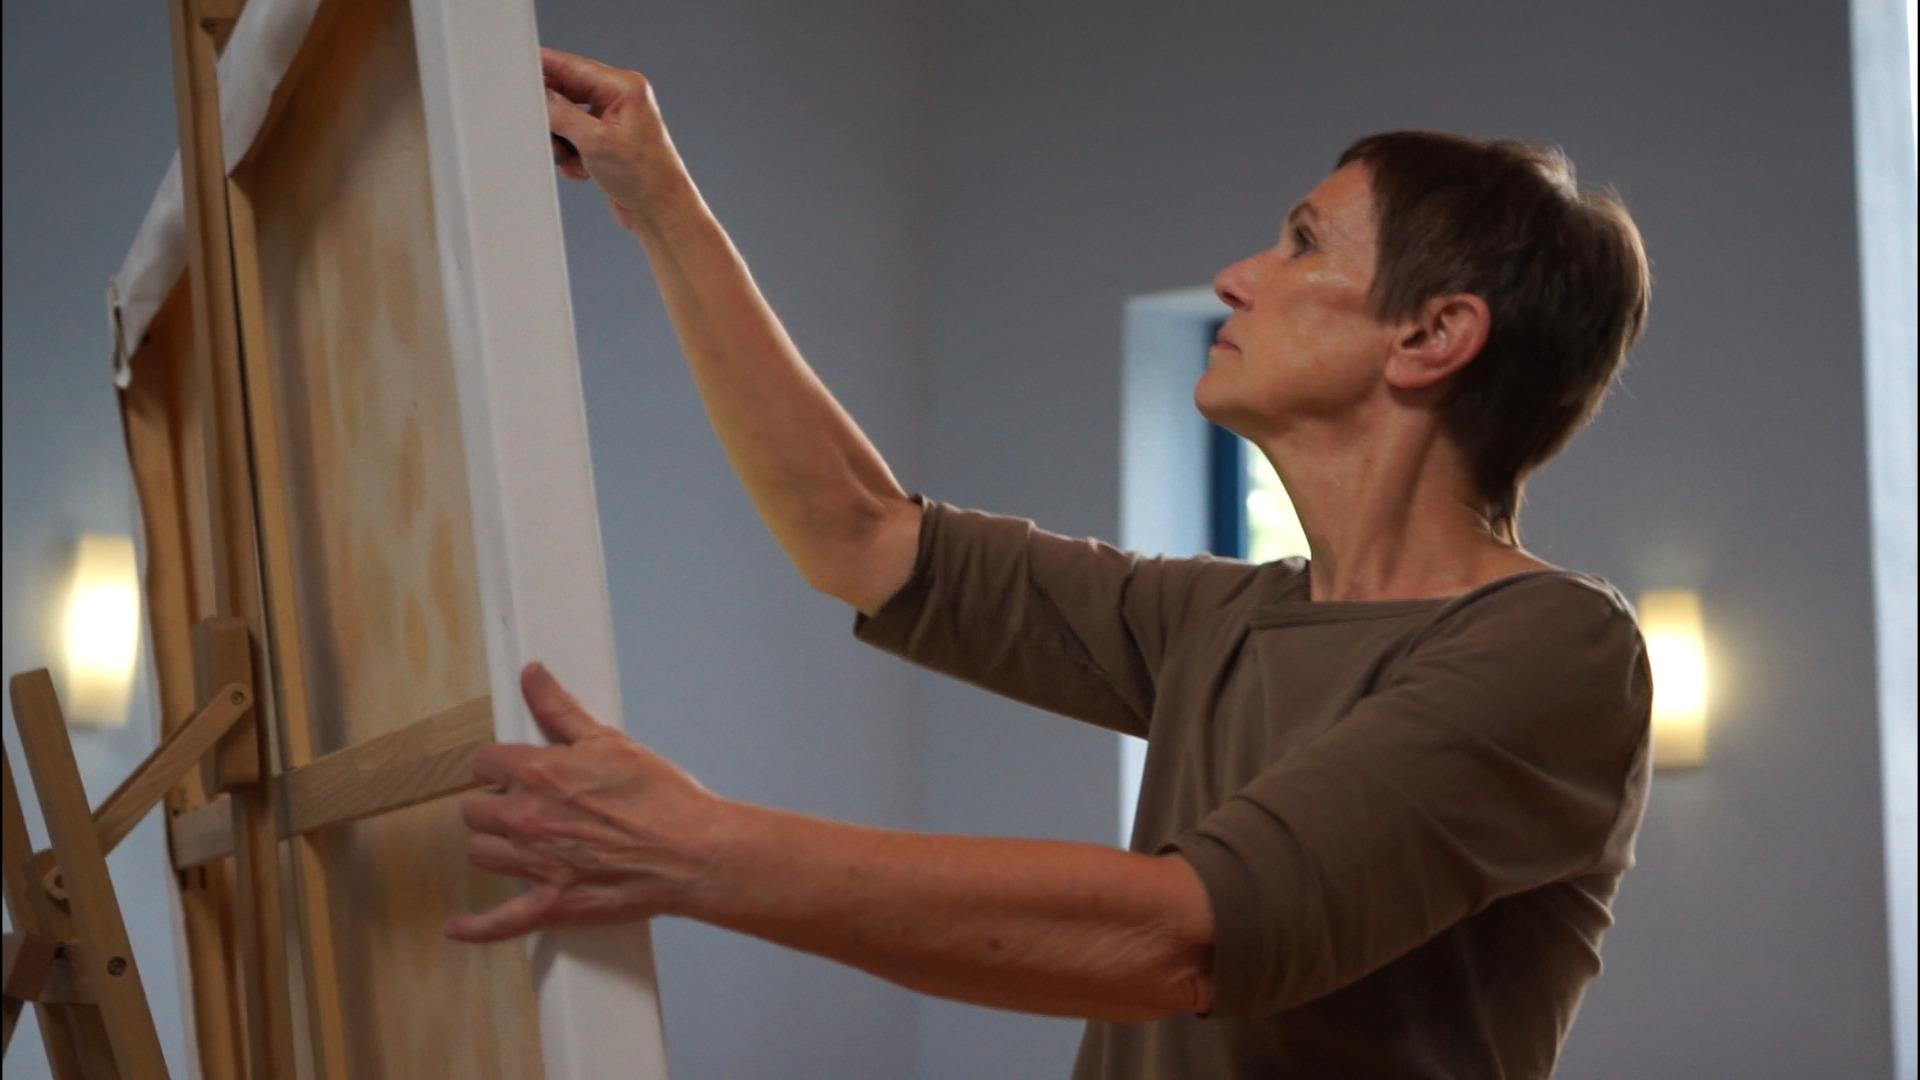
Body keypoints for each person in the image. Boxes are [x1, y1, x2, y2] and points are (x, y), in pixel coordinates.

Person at [445, 46, 1655, 1079]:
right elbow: (861, 534)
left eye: (1300, 244)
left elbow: (1179, 938)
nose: (1239, 277)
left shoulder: (1557, 652)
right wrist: (659, 197)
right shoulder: (1222, 618)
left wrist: (693, 850)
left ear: (1433, 335)